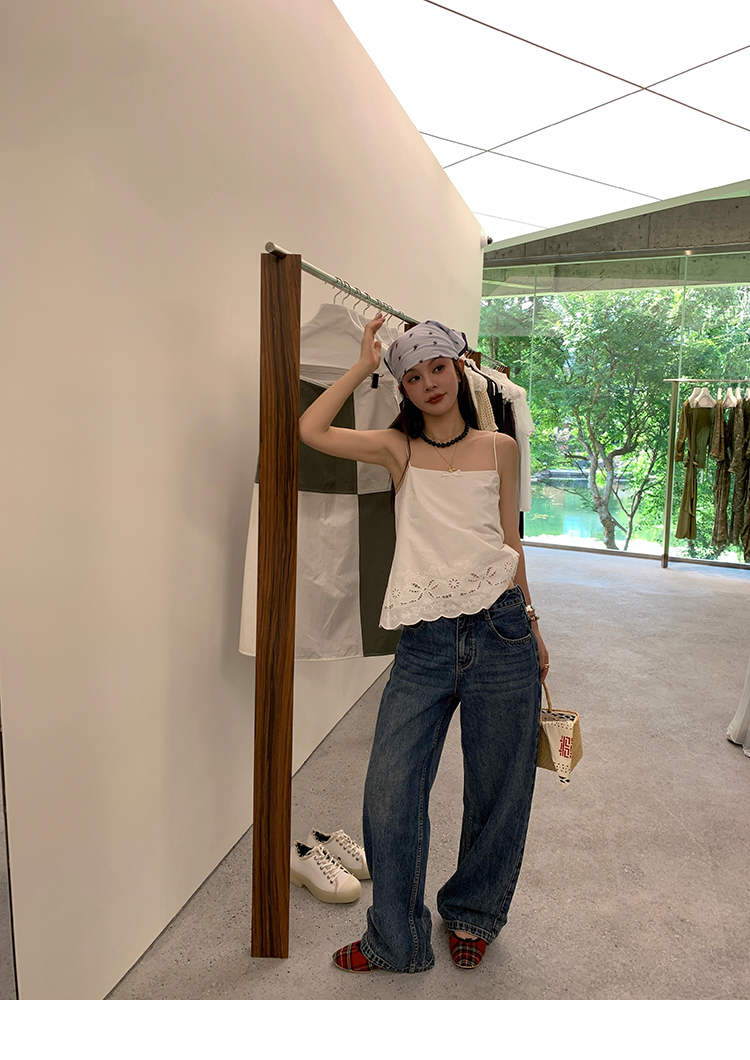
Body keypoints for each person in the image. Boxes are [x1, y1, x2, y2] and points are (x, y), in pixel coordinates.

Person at [299, 313, 549, 973]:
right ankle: (396, 939)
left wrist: (534, 623)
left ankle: (472, 914)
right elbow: (311, 430)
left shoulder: (500, 447)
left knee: (499, 789)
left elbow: (510, 542)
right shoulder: (397, 448)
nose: (429, 383)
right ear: (403, 389)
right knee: (390, 789)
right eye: (412, 376)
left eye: (438, 367)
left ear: (459, 370)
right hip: (426, 642)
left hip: (502, 630)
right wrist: (362, 366)